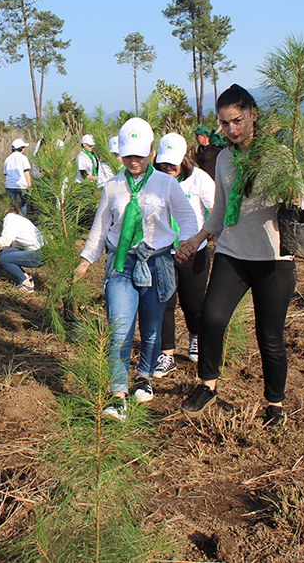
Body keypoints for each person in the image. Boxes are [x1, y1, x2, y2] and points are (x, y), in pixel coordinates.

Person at [176, 84, 304, 427]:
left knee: (270, 336)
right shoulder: (224, 159)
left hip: (272, 258)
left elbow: (302, 201)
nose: (231, 129)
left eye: (237, 120)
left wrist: (292, 190)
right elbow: (219, 211)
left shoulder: (277, 156)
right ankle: (208, 384)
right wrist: (197, 238)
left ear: (253, 115)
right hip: (233, 253)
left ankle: (275, 404)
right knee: (212, 318)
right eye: (224, 122)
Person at [74, 118, 199, 420]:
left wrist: (187, 244)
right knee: (119, 328)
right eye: (128, 155)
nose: (133, 161)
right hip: (121, 264)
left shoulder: (166, 184)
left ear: (151, 151)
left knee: (152, 328)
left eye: (140, 155)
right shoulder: (112, 186)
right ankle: (118, 393)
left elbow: (188, 219)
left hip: (157, 263)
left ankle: (143, 377)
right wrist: (85, 261)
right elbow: (101, 228)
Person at [153, 132, 215, 377]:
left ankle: (196, 338)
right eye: (163, 163)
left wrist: (201, 239)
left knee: (193, 304)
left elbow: (215, 213)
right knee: (165, 303)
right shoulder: (155, 181)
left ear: (185, 158)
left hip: (193, 253)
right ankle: (166, 354)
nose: (168, 168)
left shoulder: (200, 179)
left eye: (172, 163)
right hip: (163, 253)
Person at [0, 194, 45, 293]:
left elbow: (6, 242)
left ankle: (26, 284)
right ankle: (26, 276)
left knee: (4, 259)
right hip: (37, 249)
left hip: (39, 255)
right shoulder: (15, 216)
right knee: (2, 253)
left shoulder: (10, 218)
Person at [3, 137, 32, 217]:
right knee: (24, 204)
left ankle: (12, 221)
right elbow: (26, 172)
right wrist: (29, 184)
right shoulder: (23, 158)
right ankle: (23, 220)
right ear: (21, 148)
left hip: (9, 185)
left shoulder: (7, 159)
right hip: (21, 185)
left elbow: (5, 173)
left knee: (12, 206)